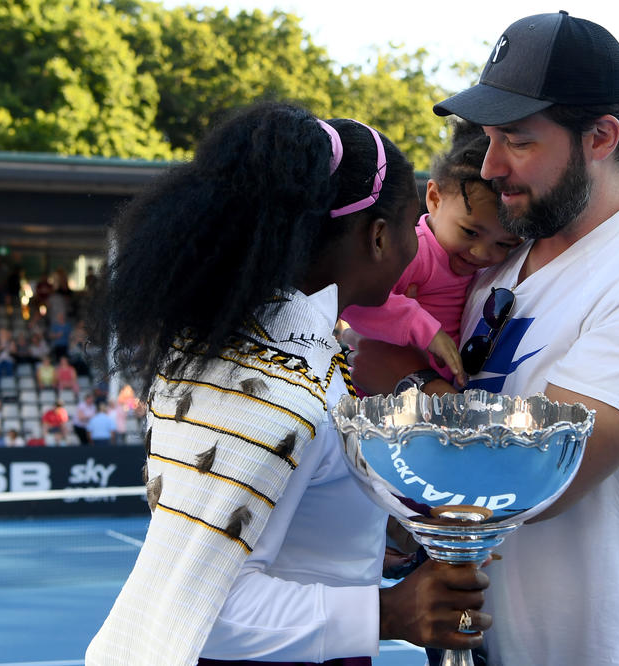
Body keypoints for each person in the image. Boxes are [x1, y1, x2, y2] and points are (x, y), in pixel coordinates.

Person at [355, 13, 619, 663]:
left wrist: (398, 454)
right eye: (490, 139)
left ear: (601, 137)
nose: (492, 166)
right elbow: (374, 353)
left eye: (519, 141)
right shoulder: (489, 264)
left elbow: (543, 474)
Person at [85, 101, 489, 665]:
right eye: (406, 229)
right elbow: (205, 610)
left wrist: (388, 539)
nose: (415, 247)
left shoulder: (260, 349)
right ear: (376, 237)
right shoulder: (277, 386)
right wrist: (390, 613)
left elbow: (297, 524)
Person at [341, 120, 521, 386]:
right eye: (470, 232)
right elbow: (352, 299)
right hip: (382, 394)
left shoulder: (478, 268)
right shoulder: (415, 251)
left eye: (504, 244)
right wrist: (422, 327)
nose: (482, 253)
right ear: (435, 198)